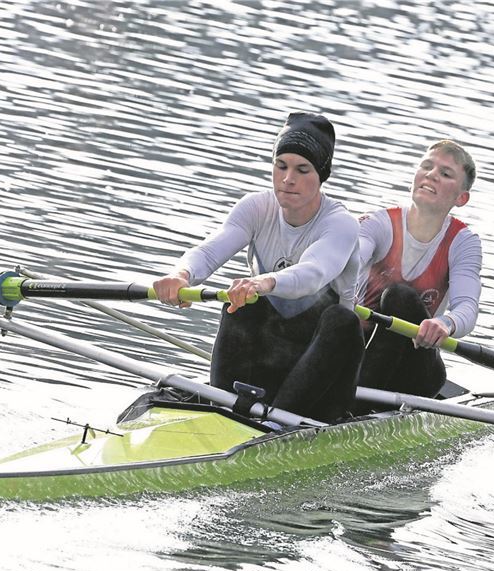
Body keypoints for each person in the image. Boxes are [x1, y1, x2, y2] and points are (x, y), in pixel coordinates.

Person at [153, 112, 364, 423]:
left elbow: (313, 273)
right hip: (270, 357)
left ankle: (274, 423)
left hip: (323, 378)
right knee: (239, 302)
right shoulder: (256, 207)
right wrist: (180, 275)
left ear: (321, 175)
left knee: (341, 320)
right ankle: (222, 407)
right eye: (281, 167)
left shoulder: (340, 224)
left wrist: (262, 283)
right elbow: (211, 250)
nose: (287, 179)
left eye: (302, 169)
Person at [352, 139, 482, 410]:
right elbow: (345, 264)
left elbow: (467, 307)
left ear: (461, 198)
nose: (431, 174)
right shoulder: (377, 224)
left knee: (399, 297)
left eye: (445, 174)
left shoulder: (463, 242)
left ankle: (350, 408)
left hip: (414, 368)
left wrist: (446, 324)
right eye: (426, 166)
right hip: (358, 354)